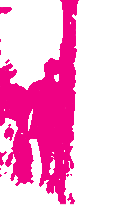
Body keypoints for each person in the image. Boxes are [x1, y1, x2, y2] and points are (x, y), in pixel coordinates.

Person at [30, 57, 76, 205]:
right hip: (55, 128)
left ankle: (46, 178)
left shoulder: (36, 87)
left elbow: (28, 108)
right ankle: (54, 181)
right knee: (56, 154)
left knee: (45, 154)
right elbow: (66, 111)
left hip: (44, 127)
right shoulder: (60, 89)